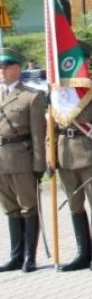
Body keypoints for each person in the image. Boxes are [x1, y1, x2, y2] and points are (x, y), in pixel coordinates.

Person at [55, 41, 92, 272]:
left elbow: (86, 114)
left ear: (86, 62)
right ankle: (82, 253)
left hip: (86, 150)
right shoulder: (58, 90)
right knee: (75, 205)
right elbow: (51, 123)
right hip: (63, 151)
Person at [0, 48, 46, 273]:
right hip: (1, 160)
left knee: (28, 207)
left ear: (18, 69)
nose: (2, 71)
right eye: (0, 67)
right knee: (10, 208)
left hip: (21, 158)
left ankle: (30, 256)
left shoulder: (32, 96)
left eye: (6, 66)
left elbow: (39, 134)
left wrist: (39, 164)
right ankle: (15, 255)